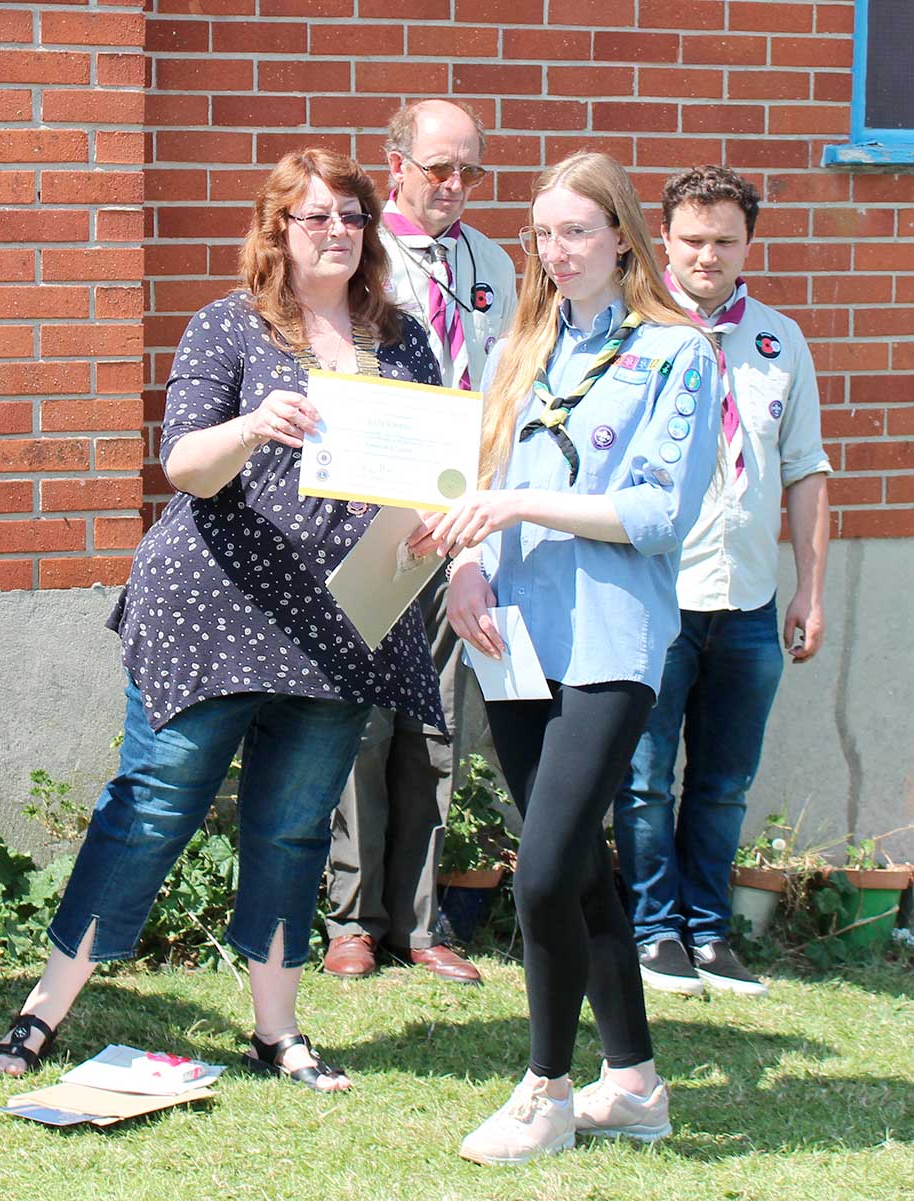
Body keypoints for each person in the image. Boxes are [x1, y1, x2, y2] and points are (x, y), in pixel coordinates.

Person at [0, 149, 445, 1093]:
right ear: (277, 230)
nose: (337, 233)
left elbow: (428, 473)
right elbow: (185, 465)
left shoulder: (401, 339)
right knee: (150, 808)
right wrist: (252, 424)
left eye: (352, 217)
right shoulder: (228, 328)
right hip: (213, 615)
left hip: (339, 626)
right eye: (314, 217)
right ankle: (43, 1009)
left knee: (291, 830)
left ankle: (278, 1033)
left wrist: (443, 530)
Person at [412, 150, 721, 1165]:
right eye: (544, 233)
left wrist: (514, 505)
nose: (558, 250)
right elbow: (475, 475)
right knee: (579, 869)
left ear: (622, 237)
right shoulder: (518, 343)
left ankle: (544, 1091)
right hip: (513, 637)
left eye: (577, 230)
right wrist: (465, 567)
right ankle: (632, 1084)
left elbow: (651, 512)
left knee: (542, 869)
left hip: (610, 640)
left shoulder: (677, 351)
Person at [614, 166, 831, 999]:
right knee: (640, 776)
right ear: (663, 239)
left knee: (724, 780)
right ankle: (652, 931)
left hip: (747, 601)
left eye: (725, 240)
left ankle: (708, 933)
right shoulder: (634, 333)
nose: (708, 255)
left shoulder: (779, 341)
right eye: (693, 239)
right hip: (653, 595)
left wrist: (809, 590)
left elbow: (806, 471)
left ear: (748, 244)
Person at [323, 99, 516, 985]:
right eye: (438, 167)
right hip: (375, 520)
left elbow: (506, 385)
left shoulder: (492, 263)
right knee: (362, 722)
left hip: (458, 524)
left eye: (469, 170)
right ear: (393, 162)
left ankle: (420, 919)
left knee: (437, 721)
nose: (453, 186)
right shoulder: (361, 254)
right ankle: (351, 918)